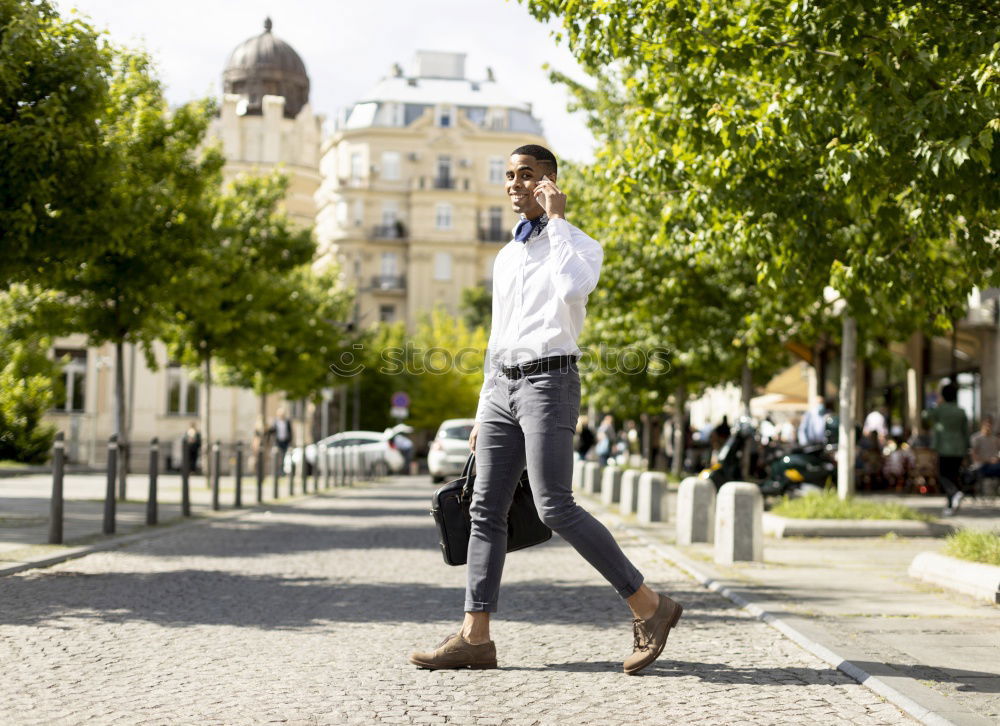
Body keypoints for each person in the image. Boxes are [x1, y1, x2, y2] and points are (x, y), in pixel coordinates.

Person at [409, 145, 682, 675]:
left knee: (554, 506)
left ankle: (650, 605)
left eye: (526, 175)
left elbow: (574, 287)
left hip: (549, 382)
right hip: (501, 389)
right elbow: (499, 335)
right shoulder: (506, 255)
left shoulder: (578, 245)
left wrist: (556, 220)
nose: (514, 184)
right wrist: (483, 403)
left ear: (549, 182)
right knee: (485, 510)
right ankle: (474, 637)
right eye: (509, 176)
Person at [927, 383, 969, 515]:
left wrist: (936, 404)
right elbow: (965, 432)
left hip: (944, 447)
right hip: (959, 448)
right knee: (954, 476)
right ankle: (951, 506)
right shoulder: (961, 411)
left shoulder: (940, 409)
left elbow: (926, 416)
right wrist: (967, 449)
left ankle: (955, 494)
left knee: (943, 475)